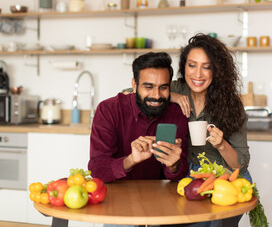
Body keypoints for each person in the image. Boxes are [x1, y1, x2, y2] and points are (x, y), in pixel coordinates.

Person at [170, 34, 252, 227]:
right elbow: (137, 92)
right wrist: (170, 96)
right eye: (192, 65)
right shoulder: (175, 88)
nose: (198, 74)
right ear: (184, 67)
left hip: (226, 178)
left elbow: (241, 164)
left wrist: (222, 145)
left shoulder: (231, 105)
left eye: (206, 67)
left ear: (216, 71)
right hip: (190, 177)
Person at [88, 52, 189, 185]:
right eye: (148, 87)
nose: (157, 95)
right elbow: (97, 169)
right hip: (116, 193)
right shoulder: (108, 110)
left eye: (163, 87)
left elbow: (179, 175)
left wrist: (174, 166)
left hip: (159, 196)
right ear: (134, 85)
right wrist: (131, 160)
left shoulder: (177, 114)